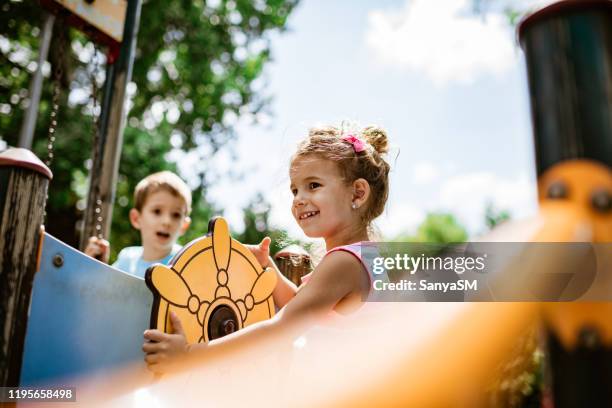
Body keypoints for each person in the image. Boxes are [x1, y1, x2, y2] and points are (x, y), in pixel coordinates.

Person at [142, 123, 391, 373]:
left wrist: (190, 355)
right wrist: (268, 269)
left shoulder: (344, 262)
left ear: (357, 194)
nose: (298, 199)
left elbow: (281, 328)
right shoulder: (366, 258)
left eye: (313, 185)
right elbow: (302, 304)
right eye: (295, 190)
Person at [84, 171, 192, 278]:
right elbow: (105, 291)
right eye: (157, 211)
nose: (166, 221)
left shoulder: (186, 264)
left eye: (176, 215)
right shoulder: (126, 259)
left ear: (184, 225)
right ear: (136, 218)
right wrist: (97, 267)